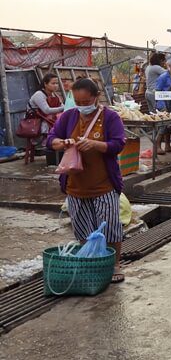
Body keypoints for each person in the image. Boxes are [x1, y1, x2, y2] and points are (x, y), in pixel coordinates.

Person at [48, 79, 127, 283]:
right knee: (82, 228)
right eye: (78, 101)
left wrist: (94, 144)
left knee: (110, 227)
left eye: (86, 101)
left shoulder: (110, 117)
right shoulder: (68, 116)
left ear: (96, 97)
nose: (82, 105)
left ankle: (115, 263)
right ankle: (92, 262)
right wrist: (62, 143)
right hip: (75, 186)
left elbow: (118, 144)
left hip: (104, 185)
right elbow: (51, 138)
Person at [29, 73, 64, 138]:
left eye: (57, 83)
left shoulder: (55, 94)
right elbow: (46, 110)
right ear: (45, 84)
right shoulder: (39, 95)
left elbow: (61, 105)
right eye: (53, 83)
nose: (56, 86)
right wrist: (62, 108)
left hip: (49, 118)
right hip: (36, 120)